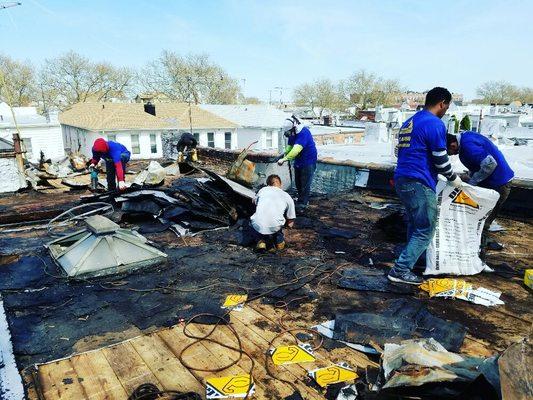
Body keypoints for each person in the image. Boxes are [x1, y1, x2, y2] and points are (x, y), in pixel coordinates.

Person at [388, 87, 463, 285]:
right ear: (442, 104)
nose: (446, 110)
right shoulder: (434, 124)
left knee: (415, 224)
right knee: (426, 229)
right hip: (419, 182)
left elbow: (400, 151)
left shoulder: (409, 122)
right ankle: (400, 269)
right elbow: (440, 157)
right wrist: (453, 177)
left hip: (403, 179)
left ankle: (416, 261)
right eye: (447, 106)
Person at [447, 131, 514, 252]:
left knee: (484, 219)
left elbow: (489, 164)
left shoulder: (467, 146)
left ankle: (478, 252)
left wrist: (472, 182)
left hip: (499, 183)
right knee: (477, 215)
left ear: (452, 145)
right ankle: (474, 245)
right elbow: (479, 163)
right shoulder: (466, 138)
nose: (451, 155)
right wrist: (470, 175)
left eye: (449, 152)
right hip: (493, 182)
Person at [247, 174, 296, 252]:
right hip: (275, 226)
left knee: (252, 222)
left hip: (258, 224)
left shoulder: (262, 190)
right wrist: (286, 226)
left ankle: (260, 241)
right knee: (277, 225)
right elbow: (291, 223)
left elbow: (254, 202)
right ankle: (279, 242)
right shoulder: (287, 196)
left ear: (268, 184)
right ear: (281, 184)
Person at [278, 115, 318, 210]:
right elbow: (290, 147)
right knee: (298, 182)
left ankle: (303, 203)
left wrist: (284, 159)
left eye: (289, 131)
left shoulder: (303, 132)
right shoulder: (293, 133)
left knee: (305, 183)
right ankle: (301, 199)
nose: (289, 133)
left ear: (294, 127)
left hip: (308, 161)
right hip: (299, 161)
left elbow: (296, 149)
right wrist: (283, 154)